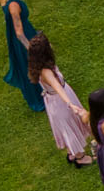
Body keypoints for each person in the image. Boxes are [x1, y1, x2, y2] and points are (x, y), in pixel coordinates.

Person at [25, 34, 93, 166]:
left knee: (69, 125)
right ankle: (80, 158)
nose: (51, 45)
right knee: (69, 127)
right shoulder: (46, 72)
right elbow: (57, 87)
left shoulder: (40, 64)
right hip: (60, 102)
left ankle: (72, 154)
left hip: (58, 99)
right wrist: (70, 104)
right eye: (48, 44)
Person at [0, 0, 42, 111]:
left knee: (29, 66)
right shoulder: (13, 5)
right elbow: (19, 32)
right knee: (32, 65)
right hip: (24, 39)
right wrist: (30, 48)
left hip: (23, 35)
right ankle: (40, 97)